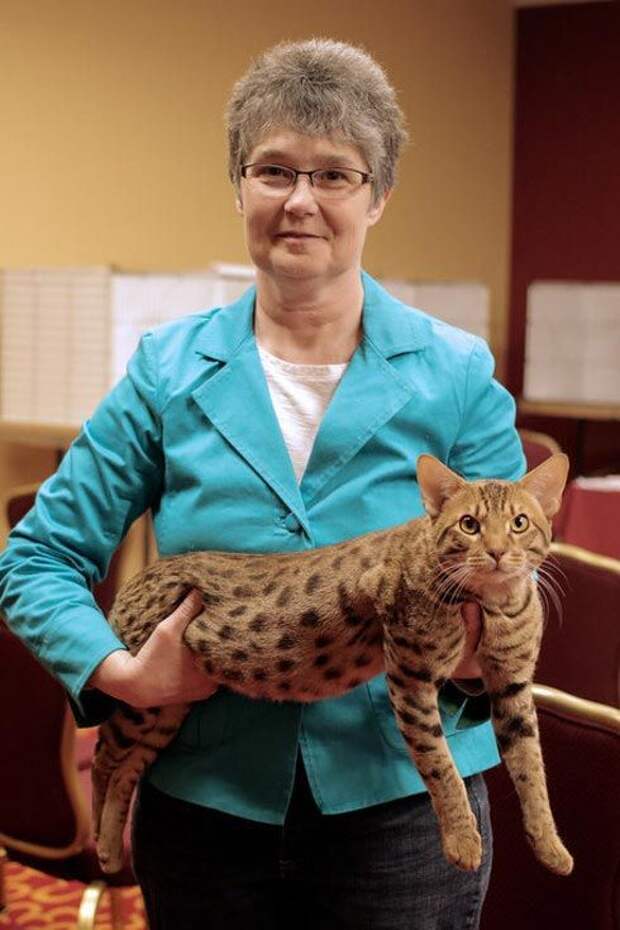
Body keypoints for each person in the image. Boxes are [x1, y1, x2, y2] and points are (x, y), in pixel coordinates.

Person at [0, 39, 525, 930]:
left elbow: (514, 576)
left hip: (399, 807)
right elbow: (39, 557)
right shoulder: (168, 371)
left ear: (380, 196)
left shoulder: (457, 376)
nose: (300, 201)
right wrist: (124, 675)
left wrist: (481, 652)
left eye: (336, 176)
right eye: (273, 169)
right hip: (207, 805)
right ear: (238, 187)